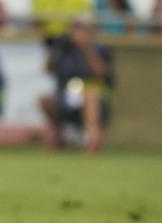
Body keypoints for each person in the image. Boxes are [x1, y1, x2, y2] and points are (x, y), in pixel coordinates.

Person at [39, 17, 114, 153]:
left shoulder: (99, 49)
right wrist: (53, 49)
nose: (77, 34)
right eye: (74, 30)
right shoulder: (63, 49)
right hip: (66, 94)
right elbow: (48, 69)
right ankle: (61, 136)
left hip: (93, 94)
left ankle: (92, 141)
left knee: (90, 95)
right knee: (45, 100)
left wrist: (85, 47)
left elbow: (101, 72)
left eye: (81, 30)